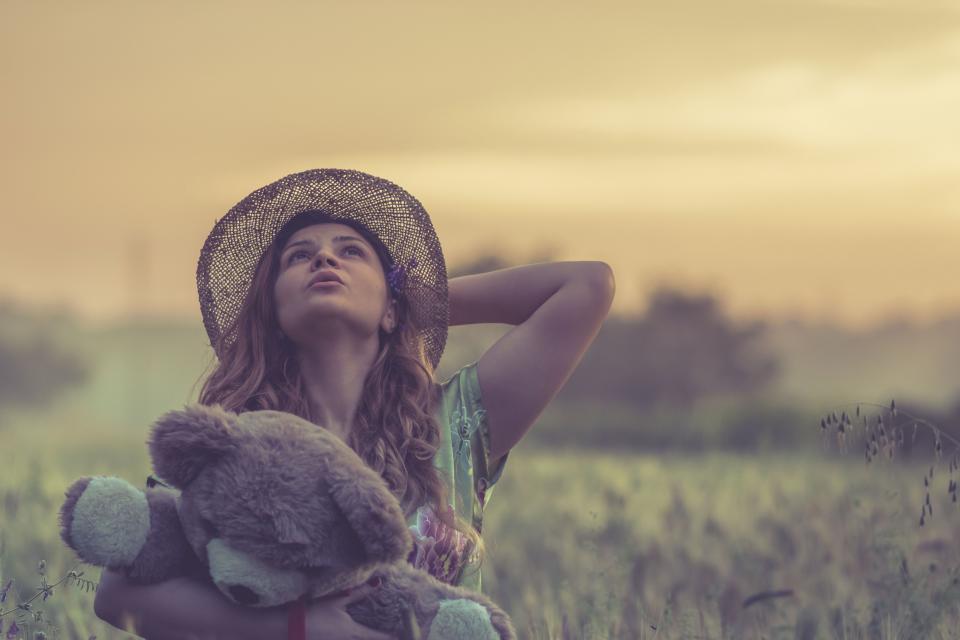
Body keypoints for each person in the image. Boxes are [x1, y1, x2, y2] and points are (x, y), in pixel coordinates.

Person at [92, 168, 615, 639]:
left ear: (392, 305)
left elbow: (587, 285)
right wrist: (296, 627)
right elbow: (118, 595)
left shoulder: (453, 425)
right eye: (298, 256)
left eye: (351, 252)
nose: (324, 258)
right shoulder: (231, 441)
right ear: (271, 310)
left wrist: (410, 303)